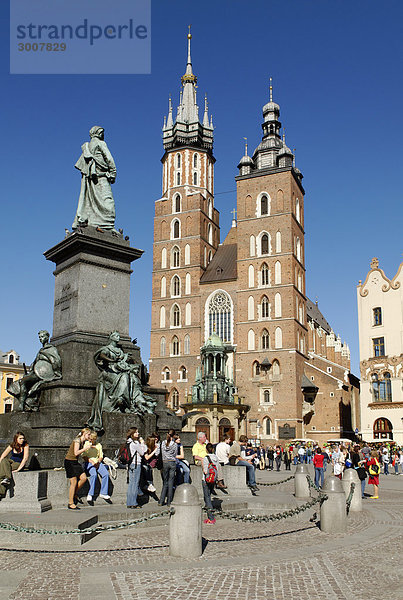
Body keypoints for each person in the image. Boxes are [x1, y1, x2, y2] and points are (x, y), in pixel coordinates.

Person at [88, 331, 156, 431]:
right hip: (110, 371)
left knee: (131, 377)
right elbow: (101, 355)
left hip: (120, 370)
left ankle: (129, 401)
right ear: (111, 338)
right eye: (116, 336)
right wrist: (113, 360)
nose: (118, 337)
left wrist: (127, 359)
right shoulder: (107, 349)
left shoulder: (119, 350)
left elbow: (129, 361)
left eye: (119, 335)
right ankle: (119, 399)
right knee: (124, 377)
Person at [72, 125, 118, 232]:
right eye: (101, 132)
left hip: (91, 180)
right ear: (97, 133)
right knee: (109, 203)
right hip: (101, 178)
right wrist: (112, 174)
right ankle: (108, 226)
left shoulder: (87, 147)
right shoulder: (100, 143)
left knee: (90, 203)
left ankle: (94, 224)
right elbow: (110, 159)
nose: (103, 135)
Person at [7, 330, 62, 411]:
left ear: (47, 338)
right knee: (19, 383)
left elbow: (56, 361)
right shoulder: (41, 350)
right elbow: (35, 363)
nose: (40, 338)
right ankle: (24, 403)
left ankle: (22, 405)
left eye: (42, 336)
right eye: (39, 337)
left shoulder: (51, 349)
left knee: (23, 382)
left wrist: (56, 373)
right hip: (36, 372)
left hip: (42, 374)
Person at [64, 428, 92, 510]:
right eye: (88, 434)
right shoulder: (77, 440)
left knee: (83, 478)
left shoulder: (83, 441)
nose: (89, 436)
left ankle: (75, 493)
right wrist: (85, 448)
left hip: (75, 462)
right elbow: (76, 452)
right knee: (74, 482)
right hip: (70, 462)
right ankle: (70, 503)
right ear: (84, 433)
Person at [82, 431, 111, 503]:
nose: (90, 440)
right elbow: (84, 456)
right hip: (89, 462)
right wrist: (92, 462)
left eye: (92, 439)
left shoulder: (99, 445)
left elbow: (101, 456)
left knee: (106, 474)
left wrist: (98, 462)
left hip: (97, 462)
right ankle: (90, 494)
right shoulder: (86, 444)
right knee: (94, 475)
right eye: (89, 439)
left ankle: (103, 493)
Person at [0, 432, 30, 497]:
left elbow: (25, 459)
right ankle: (6, 480)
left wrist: (18, 469)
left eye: (23, 438)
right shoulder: (12, 445)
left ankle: (2, 489)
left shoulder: (25, 446)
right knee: (4, 461)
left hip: (19, 463)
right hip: (11, 461)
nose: (22, 440)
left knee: (2, 472)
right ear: (16, 439)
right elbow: (2, 456)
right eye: (20, 438)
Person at [158, 429, 181, 507]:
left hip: (165, 462)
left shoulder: (163, 443)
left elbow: (162, 452)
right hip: (172, 462)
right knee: (171, 482)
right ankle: (169, 501)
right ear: (173, 436)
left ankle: (161, 501)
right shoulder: (174, 444)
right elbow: (175, 454)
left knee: (165, 482)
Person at [126, 427, 147, 509]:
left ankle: (129, 502)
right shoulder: (135, 443)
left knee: (131, 484)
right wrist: (142, 443)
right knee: (135, 484)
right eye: (136, 432)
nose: (138, 434)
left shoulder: (128, 442)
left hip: (130, 464)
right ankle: (134, 503)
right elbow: (142, 452)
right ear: (133, 434)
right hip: (136, 464)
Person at [202, 443, 219, 524]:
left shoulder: (205, 458)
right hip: (213, 479)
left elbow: (205, 471)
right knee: (208, 496)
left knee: (207, 497)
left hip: (206, 480)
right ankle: (210, 513)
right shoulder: (216, 457)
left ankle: (211, 518)